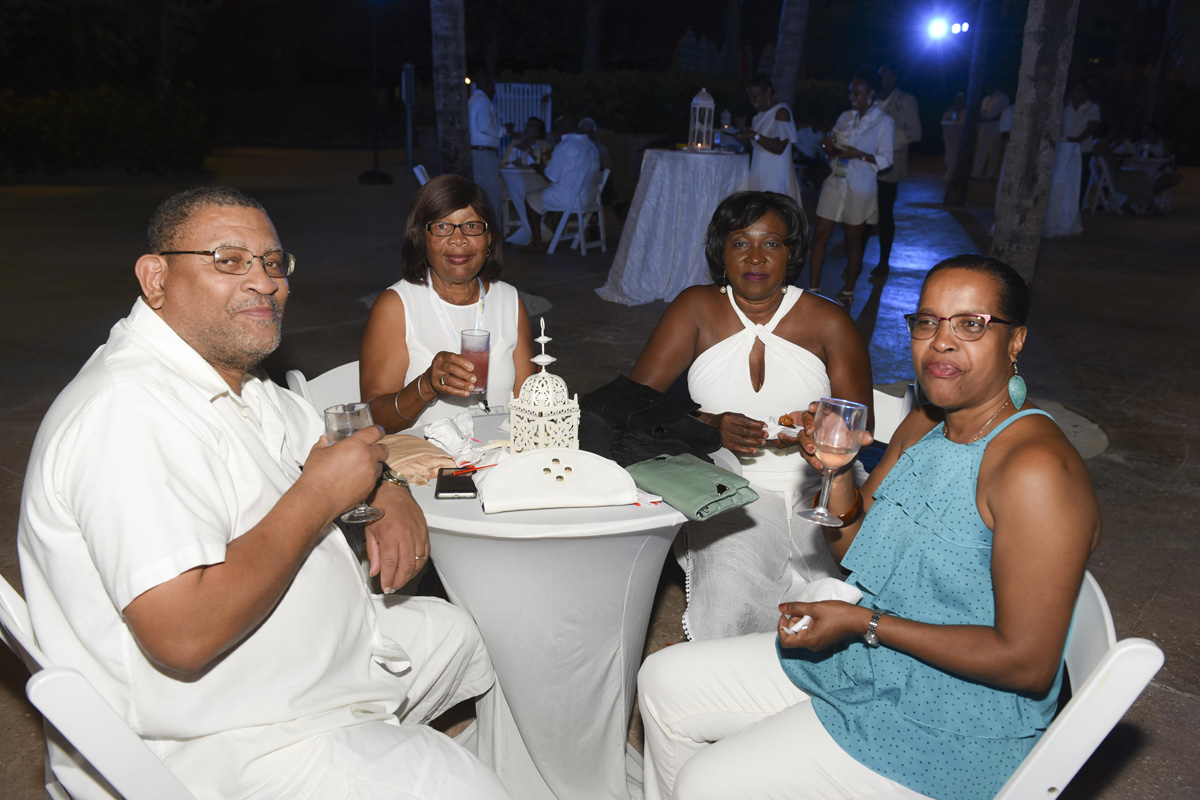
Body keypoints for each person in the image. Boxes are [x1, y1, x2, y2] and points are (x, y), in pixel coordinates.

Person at [17, 186, 513, 800]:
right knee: (467, 787)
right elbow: (183, 634)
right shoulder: (127, 413)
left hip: (295, 666)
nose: (264, 281)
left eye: (274, 262)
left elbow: (337, 436)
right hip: (224, 737)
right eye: (228, 260)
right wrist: (317, 497)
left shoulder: (230, 378)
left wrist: (386, 487)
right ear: (156, 278)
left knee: (469, 637)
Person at [638, 254, 1101, 800]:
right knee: (661, 681)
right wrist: (834, 474)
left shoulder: (1034, 469)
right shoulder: (924, 424)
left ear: (1015, 340)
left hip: (954, 726)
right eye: (927, 322)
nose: (942, 342)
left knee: (705, 783)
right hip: (873, 665)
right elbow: (856, 549)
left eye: (970, 324)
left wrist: (866, 623)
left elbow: (1027, 663)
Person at [629, 191, 872, 640]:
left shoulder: (830, 321)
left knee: (851, 595)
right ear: (721, 252)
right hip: (730, 485)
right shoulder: (696, 308)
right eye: (740, 243)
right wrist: (708, 425)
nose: (755, 257)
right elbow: (630, 406)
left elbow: (859, 424)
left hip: (820, 487)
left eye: (771, 243)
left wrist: (818, 428)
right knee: (727, 604)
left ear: (791, 253)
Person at [361, 174, 535, 430]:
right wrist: (426, 385)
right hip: (423, 454)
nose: (458, 239)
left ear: (489, 238)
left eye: (472, 226)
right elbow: (374, 419)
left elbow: (528, 407)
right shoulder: (397, 306)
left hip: (500, 451)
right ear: (421, 238)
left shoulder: (509, 302)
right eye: (442, 227)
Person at [808, 65, 895, 309]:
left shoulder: (884, 122)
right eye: (850, 92)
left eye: (857, 92)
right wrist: (827, 146)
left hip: (860, 185)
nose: (852, 97)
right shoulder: (845, 117)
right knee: (820, 233)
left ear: (871, 93)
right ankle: (813, 290)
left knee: (853, 240)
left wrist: (860, 154)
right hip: (836, 181)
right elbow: (834, 150)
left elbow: (887, 159)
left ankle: (848, 290)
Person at [520, 116, 600, 252]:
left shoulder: (564, 146)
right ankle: (558, 239)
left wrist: (540, 169)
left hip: (571, 198)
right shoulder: (590, 145)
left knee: (530, 198)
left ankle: (537, 242)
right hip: (590, 198)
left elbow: (550, 177)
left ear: (559, 131)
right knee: (551, 195)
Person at [874, 63, 922, 272]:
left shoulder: (905, 99)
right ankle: (855, 262)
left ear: (894, 78)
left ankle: (883, 261)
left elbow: (915, 132)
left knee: (885, 213)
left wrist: (888, 142)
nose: (880, 77)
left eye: (884, 74)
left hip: (891, 165)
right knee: (865, 214)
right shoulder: (872, 99)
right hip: (868, 164)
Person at [733, 73, 801, 202]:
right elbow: (757, 143)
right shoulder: (758, 117)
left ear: (768, 91)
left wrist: (753, 134)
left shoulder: (781, 112)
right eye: (750, 98)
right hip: (758, 171)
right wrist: (744, 131)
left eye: (755, 97)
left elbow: (779, 147)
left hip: (775, 174)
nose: (752, 101)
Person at [468, 70, 512, 223]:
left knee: (482, 196)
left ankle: (483, 230)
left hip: (478, 152)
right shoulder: (482, 101)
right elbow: (484, 126)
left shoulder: (473, 100)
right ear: (487, 84)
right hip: (484, 154)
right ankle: (493, 232)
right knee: (494, 196)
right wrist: (504, 130)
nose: (494, 89)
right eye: (493, 85)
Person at [1062, 81, 1101, 199]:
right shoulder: (1066, 107)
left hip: (1083, 150)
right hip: (1064, 148)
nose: (1077, 93)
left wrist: (1078, 139)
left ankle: (1078, 204)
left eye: (1081, 90)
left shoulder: (1093, 107)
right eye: (1075, 90)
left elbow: (1092, 126)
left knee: (1080, 178)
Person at [973, 81, 1010, 179]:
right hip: (984, 127)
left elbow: (1003, 113)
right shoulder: (986, 99)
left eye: (988, 85)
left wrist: (990, 118)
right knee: (980, 151)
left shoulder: (1003, 97)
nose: (987, 88)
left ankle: (991, 174)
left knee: (994, 151)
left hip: (995, 127)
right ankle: (976, 173)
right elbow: (983, 113)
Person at [793, 118, 832, 188]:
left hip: (804, 156)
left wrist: (823, 146)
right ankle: (810, 183)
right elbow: (823, 145)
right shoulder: (816, 133)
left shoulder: (811, 132)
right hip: (803, 157)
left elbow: (822, 145)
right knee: (825, 169)